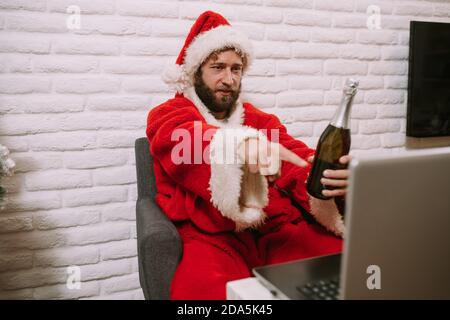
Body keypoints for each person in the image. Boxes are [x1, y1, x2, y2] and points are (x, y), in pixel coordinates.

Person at [146, 11, 350, 300]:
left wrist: (326, 174)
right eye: (218, 67)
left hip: (275, 227)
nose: (228, 79)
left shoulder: (258, 118)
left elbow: (296, 157)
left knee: (350, 271)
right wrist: (240, 146)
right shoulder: (169, 114)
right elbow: (184, 141)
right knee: (202, 295)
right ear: (196, 71)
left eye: (236, 69)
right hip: (214, 236)